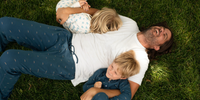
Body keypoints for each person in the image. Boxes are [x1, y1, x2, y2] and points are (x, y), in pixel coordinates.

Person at [0, 6, 173, 100]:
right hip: (65, 38)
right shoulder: (131, 24)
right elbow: (100, 14)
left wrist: (96, 92)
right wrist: (72, 10)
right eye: (162, 28)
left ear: (158, 47)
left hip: (71, 63)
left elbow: (128, 93)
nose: (161, 30)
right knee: (5, 24)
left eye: (164, 35)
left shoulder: (141, 59)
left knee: (10, 60)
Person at [56, 0, 122, 34]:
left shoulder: (83, 19)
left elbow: (66, 13)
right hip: (66, 22)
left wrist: (79, 4)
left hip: (62, 7)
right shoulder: (89, 30)